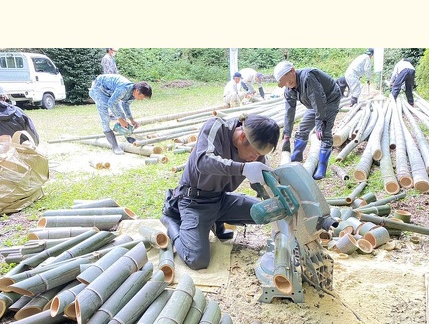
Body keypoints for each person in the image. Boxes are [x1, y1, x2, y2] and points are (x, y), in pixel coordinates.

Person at [161, 114, 280, 270]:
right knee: (197, 260)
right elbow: (203, 161)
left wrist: (272, 192)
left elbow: (261, 183)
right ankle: (170, 221)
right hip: (194, 202)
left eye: (261, 155)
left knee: (266, 211)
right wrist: (242, 168)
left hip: (221, 199)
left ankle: (215, 222)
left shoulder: (255, 153)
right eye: (255, 153)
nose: (256, 158)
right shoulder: (216, 127)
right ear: (243, 136)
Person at [273, 60, 341, 180]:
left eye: (289, 80)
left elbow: (319, 100)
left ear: (293, 71)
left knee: (324, 132)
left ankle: (322, 166)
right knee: (303, 128)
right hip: (313, 104)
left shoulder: (308, 77)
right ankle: (296, 157)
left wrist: (319, 123)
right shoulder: (289, 90)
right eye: (285, 83)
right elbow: (289, 112)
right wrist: (287, 135)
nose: (289, 84)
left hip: (329, 100)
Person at [88, 74, 152, 155]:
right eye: (142, 97)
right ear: (137, 91)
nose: (142, 99)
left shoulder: (133, 94)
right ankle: (114, 145)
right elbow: (111, 103)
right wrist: (120, 120)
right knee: (105, 116)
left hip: (109, 92)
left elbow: (125, 105)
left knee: (121, 114)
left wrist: (132, 120)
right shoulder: (124, 89)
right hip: (98, 89)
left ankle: (129, 137)